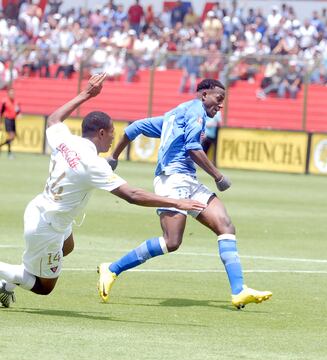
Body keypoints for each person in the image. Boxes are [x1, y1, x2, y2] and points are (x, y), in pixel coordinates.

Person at [0, 74, 205, 308]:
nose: (112, 139)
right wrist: (178, 203)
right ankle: (4, 283)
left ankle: (10, 280)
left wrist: (86, 94)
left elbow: (54, 119)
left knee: (67, 247)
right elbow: (132, 195)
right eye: (111, 134)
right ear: (100, 133)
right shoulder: (92, 163)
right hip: (48, 226)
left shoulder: (66, 140)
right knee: (44, 287)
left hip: (41, 210)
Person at [98, 79, 272, 309]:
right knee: (172, 241)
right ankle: (111, 269)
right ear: (204, 95)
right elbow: (192, 147)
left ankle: (239, 290)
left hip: (187, 180)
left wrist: (115, 156)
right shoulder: (196, 113)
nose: (220, 106)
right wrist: (218, 176)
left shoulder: (176, 114)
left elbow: (135, 127)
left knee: (225, 226)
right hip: (171, 179)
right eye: (218, 99)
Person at [0, 88, 21, 159]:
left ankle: (1, 146)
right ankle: (9, 153)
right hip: (7, 120)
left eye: (13, 93)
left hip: (13, 120)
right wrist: (1, 121)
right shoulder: (5, 101)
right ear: (8, 94)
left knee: (12, 137)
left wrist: (19, 114)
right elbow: (1, 112)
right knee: (11, 136)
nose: (12, 94)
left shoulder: (16, 102)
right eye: (11, 93)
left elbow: (18, 110)